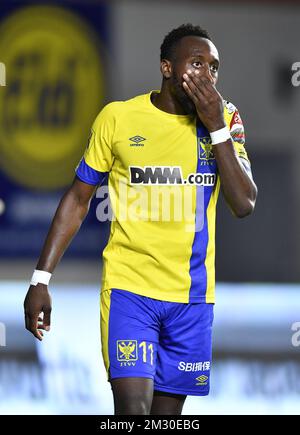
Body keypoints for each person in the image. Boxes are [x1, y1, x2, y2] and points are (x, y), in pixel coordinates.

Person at [24, 24, 257, 415]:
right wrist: (40, 279)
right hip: (130, 292)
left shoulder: (225, 118)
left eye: (214, 68)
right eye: (196, 63)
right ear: (167, 67)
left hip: (192, 298)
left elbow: (244, 202)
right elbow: (79, 199)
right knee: (133, 411)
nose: (207, 75)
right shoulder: (118, 119)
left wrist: (215, 125)